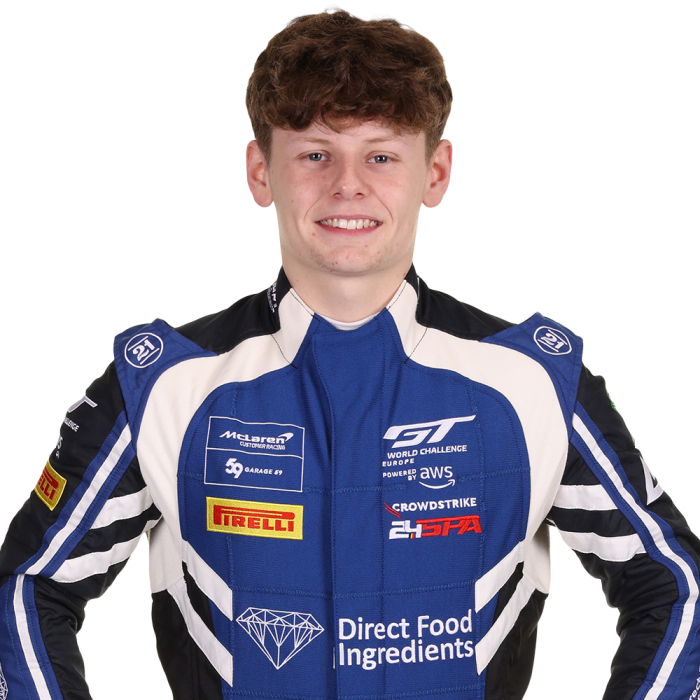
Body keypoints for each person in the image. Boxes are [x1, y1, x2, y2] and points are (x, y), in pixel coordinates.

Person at [1, 5, 699, 700]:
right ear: (259, 172)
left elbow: (672, 585)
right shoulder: (163, 381)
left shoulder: (534, 379)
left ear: (436, 173)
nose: (348, 186)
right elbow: (30, 586)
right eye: (315, 154)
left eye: (381, 155)